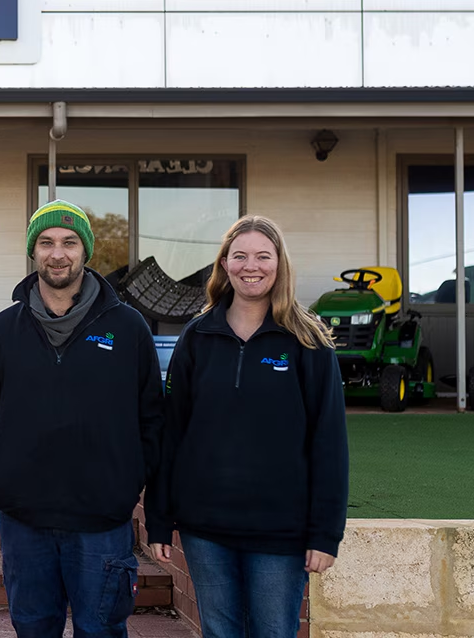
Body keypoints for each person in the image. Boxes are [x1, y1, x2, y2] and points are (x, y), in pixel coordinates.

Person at [0, 199, 163, 638]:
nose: (58, 254)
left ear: (85, 251)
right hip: (24, 520)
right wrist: (1, 470)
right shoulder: (2, 330)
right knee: (33, 628)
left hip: (101, 520)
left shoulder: (128, 327)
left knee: (100, 630)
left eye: (69, 242)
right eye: (46, 242)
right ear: (33, 251)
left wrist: (127, 479)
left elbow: (151, 415)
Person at [146, 215, 349, 638]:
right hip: (206, 528)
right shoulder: (197, 337)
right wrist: (160, 519)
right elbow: (172, 434)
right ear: (224, 264)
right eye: (239, 256)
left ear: (280, 264)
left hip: (280, 531)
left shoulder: (308, 341)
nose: (250, 266)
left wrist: (325, 533)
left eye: (262, 256)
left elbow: (328, 442)